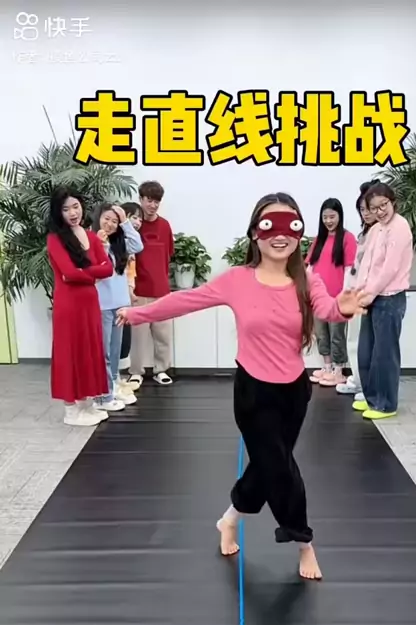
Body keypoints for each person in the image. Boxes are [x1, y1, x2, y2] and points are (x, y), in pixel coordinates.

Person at [116, 193, 368, 581]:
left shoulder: (307, 279)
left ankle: (229, 518)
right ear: (255, 233)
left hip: (294, 392)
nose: (280, 235)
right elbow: (187, 301)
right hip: (254, 393)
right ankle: (304, 542)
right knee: (281, 469)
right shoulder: (237, 280)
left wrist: (343, 308)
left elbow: (327, 308)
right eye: (270, 225)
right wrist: (137, 314)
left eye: (291, 226)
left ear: (299, 233)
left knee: (268, 466)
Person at [46, 187, 114, 427]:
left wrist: (83, 273)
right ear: (59, 212)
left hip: (89, 302)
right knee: (70, 352)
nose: (73, 213)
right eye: (66, 209)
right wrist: (91, 273)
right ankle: (71, 411)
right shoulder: (55, 239)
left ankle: (85, 404)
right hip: (69, 305)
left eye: (75, 207)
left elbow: (108, 269)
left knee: (89, 350)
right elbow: (67, 273)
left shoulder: (92, 237)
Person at [352, 183, 413, 420]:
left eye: (383, 205)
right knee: (366, 351)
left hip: (389, 298)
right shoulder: (376, 229)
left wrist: (370, 293)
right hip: (371, 297)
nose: (380, 211)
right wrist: (360, 290)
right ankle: (371, 398)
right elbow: (367, 263)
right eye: (374, 208)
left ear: (392, 202)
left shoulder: (400, 226)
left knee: (384, 354)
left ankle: (386, 404)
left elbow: (390, 268)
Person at [91, 202, 143, 412]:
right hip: (101, 305)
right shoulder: (91, 242)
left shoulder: (119, 244)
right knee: (103, 352)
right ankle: (102, 395)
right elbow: (91, 267)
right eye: (107, 219)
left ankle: (112, 386)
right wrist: (99, 244)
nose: (110, 224)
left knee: (114, 351)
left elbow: (138, 245)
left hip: (120, 305)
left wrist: (125, 222)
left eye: (114, 221)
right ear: (98, 219)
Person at [306, 198, 357, 387]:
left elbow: (349, 268)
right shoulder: (319, 239)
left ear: (339, 216)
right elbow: (310, 266)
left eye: (332, 216)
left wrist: (344, 292)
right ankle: (327, 368)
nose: (328, 220)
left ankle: (338, 370)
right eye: (325, 217)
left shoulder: (347, 238)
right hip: (318, 296)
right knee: (321, 333)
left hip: (337, 298)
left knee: (337, 334)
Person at [128, 181, 174, 387]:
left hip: (161, 290)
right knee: (138, 336)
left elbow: (169, 254)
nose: (153, 205)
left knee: (163, 335)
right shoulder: (133, 226)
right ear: (141, 199)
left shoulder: (165, 226)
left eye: (157, 201)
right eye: (149, 200)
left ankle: (161, 370)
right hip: (138, 290)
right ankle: (136, 372)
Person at [336, 181, 379, 396]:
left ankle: (367, 384)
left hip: (368, 296)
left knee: (366, 343)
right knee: (354, 340)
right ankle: (358, 378)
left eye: (369, 208)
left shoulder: (381, 233)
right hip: (355, 294)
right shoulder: (364, 233)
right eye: (362, 209)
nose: (366, 213)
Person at [118, 202, 144, 383]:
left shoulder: (129, 242)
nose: (138, 222)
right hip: (116, 298)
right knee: (115, 341)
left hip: (125, 295)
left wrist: (130, 290)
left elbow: (137, 245)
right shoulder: (116, 241)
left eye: (140, 220)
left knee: (123, 340)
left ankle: (117, 380)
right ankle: (113, 382)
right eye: (134, 217)